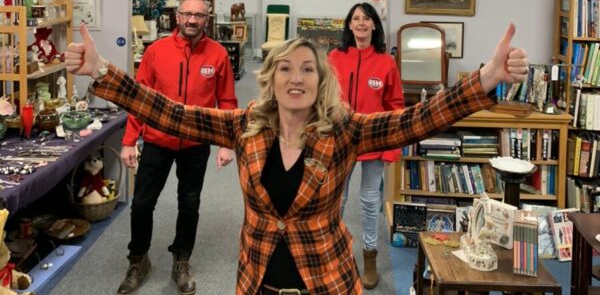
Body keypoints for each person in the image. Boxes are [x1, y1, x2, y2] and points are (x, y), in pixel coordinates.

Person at [66, 23, 528, 295]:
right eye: (285, 68)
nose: (296, 78)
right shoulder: (245, 125)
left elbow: (416, 120)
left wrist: (485, 79)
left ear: (321, 80)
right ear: (270, 78)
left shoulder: (344, 130)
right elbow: (171, 112)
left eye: (308, 69)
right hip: (257, 280)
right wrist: (102, 72)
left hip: (327, 280)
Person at [117, 0, 237, 295]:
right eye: (187, 14)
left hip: (196, 144)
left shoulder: (218, 54)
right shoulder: (156, 51)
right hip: (157, 140)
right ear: (178, 17)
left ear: (207, 19)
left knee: (190, 203)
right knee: (142, 203)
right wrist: (129, 141)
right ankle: (138, 260)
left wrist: (228, 143)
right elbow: (139, 100)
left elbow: (227, 102)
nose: (193, 20)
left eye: (199, 15)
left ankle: (182, 260)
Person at [327, 2, 404, 289]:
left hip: (373, 142)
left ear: (374, 25)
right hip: (340, 142)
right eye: (356, 18)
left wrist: (392, 147)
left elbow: (395, 107)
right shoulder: (334, 57)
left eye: (366, 18)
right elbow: (321, 98)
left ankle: (369, 256)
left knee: (370, 201)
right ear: (349, 25)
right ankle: (332, 254)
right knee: (337, 200)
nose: (361, 23)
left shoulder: (386, 62)